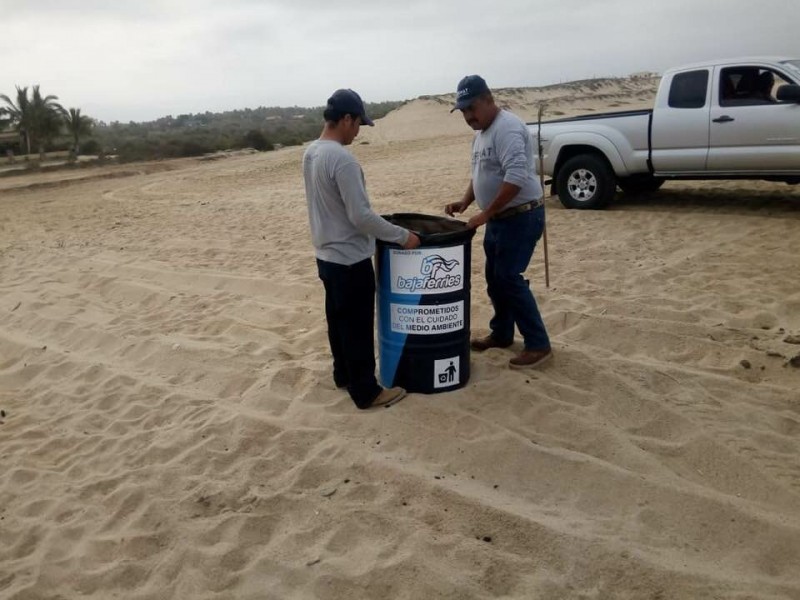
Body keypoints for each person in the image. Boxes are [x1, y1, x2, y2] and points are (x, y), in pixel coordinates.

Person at [303, 88, 421, 409]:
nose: (357, 132)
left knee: (337, 320)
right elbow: (361, 216)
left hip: (325, 256)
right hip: (350, 259)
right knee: (356, 326)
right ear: (346, 119)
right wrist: (401, 236)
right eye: (357, 125)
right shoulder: (341, 159)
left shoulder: (311, 153)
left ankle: (343, 374)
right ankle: (367, 391)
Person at [445, 75, 552, 369]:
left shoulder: (507, 128)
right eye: (463, 111)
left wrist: (485, 214)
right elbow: (480, 173)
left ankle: (539, 344)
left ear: (489, 99)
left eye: (472, 108)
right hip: (499, 219)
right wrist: (466, 201)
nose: (468, 116)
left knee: (508, 278)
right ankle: (502, 333)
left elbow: (516, 178)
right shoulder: (480, 135)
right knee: (495, 278)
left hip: (521, 216)